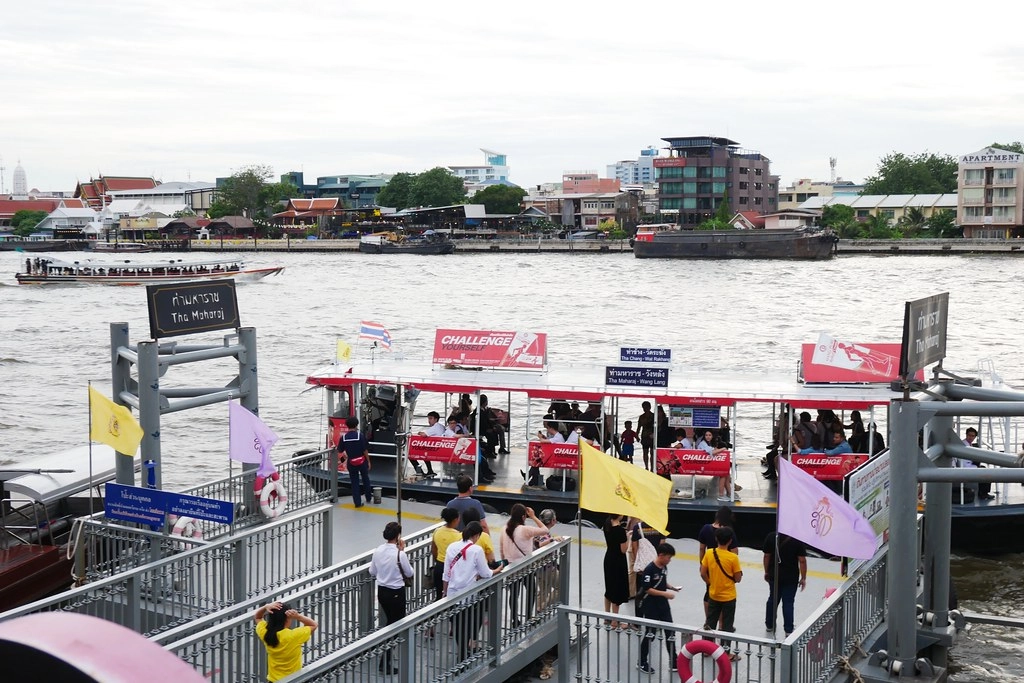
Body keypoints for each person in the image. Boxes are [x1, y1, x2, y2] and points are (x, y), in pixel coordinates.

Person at [442, 521, 503, 660]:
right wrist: (497, 570)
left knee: (458, 625)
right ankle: (464, 652)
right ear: (476, 535)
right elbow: (486, 573)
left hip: (453, 594)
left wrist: (444, 592)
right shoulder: (476, 550)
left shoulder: (452, 547)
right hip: (469, 595)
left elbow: (446, 574)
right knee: (470, 624)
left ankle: (461, 653)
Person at [369, 521, 414, 674]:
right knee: (395, 625)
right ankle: (385, 661)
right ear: (398, 536)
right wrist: (402, 551)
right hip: (396, 592)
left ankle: (386, 656)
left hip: (382, 591)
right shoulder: (400, 554)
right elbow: (409, 572)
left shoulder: (378, 550)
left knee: (390, 621)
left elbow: (372, 571)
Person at [501, 504, 552, 625]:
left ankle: (515, 619)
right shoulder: (525, 530)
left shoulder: (504, 528)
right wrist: (533, 516)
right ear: (523, 517)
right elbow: (545, 530)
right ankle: (529, 618)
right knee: (531, 591)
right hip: (525, 567)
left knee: (514, 594)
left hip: (511, 567)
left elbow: (502, 550)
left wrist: (505, 564)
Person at [636, 543, 681, 675]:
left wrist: (672, 588)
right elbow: (647, 589)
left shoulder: (664, 567)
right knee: (650, 633)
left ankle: (674, 661)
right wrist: (665, 594)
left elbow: (662, 581)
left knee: (670, 632)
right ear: (661, 555)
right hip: (651, 605)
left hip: (663, 605)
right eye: (668, 557)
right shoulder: (649, 569)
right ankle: (642, 661)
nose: (669, 560)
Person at [700, 527, 743, 659]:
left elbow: (702, 573)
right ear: (730, 541)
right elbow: (738, 578)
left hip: (713, 594)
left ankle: (707, 649)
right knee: (727, 625)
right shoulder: (733, 558)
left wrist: (710, 583)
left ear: (716, 539)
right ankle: (726, 653)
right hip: (729, 597)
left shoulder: (709, 553)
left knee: (710, 622)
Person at [254, 600, 318, 682]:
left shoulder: (265, 632)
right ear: (287, 618)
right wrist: (298, 616)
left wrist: (265, 607)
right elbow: (313, 625)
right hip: (293, 679)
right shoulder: (293, 636)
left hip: (273, 680)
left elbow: (258, 617)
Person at [697, 506, 738, 628]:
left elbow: (701, 548)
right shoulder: (728, 532)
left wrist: (702, 564)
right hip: (725, 567)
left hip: (710, 565)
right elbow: (735, 551)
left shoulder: (706, 528)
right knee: (724, 597)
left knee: (709, 593)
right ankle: (722, 624)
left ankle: (709, 620)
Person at [763, 531, 807, 637]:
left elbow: (766, 556)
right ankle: (788, 629)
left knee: (773, 599)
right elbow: (802, 560)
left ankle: (769, 624)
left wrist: (766, 571)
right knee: (788, 602)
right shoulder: (797, 539)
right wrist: (803, 577)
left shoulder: (771, 536)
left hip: (774, 574)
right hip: (791, 577)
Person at [338, 416, 372, 507]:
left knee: (354, 482)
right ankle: (368, 497)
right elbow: (365, 450)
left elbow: (340, 450)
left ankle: (357, 502)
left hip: (351, 462)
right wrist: (368, 461)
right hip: (362, 461)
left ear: (347, 426)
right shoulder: (360, 436)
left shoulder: (343, 438)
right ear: (356, 425)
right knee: (365, 479)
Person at [603, 514, 630, 626]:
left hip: (609, 558)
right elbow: (623, 550)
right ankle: (615, 621)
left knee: (609, 588)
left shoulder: (607, 523)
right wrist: (628, 537)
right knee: (617, 590)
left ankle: (607, 617)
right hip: (618, 561)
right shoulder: (620, 531)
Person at [430, 507, 462, 603]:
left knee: (439, 595)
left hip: (439, 567)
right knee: (451, 597)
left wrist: (437, 560)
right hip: (452, 568)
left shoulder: (437, 531)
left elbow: (433, 549)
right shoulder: (459, 535)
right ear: (455, 519)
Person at [699, 429, 738, 501]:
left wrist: (721, 450)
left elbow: (715, 450)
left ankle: (729, 493)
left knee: (726, 473)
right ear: (704, 436)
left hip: (708, 462)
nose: (708, 437)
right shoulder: (703, 443)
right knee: (722, 474)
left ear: (712, 436)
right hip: (702, 464)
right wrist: (723, 449)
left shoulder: (710, 443)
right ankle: (721, 495)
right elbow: (713, 452)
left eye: (709, 435)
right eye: (706, 435)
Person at [412, 411, 442, 477]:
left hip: (437, 451)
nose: (429, 421)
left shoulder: (435, 427)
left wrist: (419, 433)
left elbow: (424, 435)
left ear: (436, 419)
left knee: (411, 455)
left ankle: (420, 472)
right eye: (428, 418)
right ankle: (430, 471)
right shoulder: (441, 426)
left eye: (431, 418)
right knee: (424, 451)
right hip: (441, 448)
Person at [637, 402, 655, 471]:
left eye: (646, 407)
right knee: (645, 452)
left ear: (650, 407)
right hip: (644, 436)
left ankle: (652, 468)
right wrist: (637, 435)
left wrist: (654, 434)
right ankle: (646, 467)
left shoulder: (653, 416)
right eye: (644, 407)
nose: (645, 409)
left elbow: (657, 427)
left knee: (652, 453)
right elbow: (639, 427)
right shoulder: (641, 417)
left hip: (652, 437)